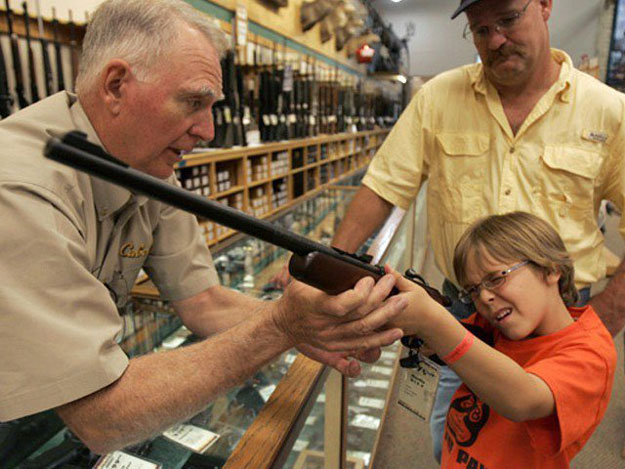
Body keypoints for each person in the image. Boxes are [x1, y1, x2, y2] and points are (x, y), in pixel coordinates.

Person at [0, 0, 409, 455]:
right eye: (193, 102)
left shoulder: (146, 164)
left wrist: (316, 326)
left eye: (212, 106)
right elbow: (102, 416)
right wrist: (282, 325)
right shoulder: (18, 186)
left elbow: (204, 302)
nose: (209, 131)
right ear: (116, 86)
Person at [270, 0, 625, 461]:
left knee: (529, 447)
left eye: (508, 19)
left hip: (561, 315)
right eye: (480, 30)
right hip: (466, 307)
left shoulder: (609, 112)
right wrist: (325, 266)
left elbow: (524, 401)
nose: (495, 39)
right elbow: (382, 187)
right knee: (458, 436)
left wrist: (604, 318)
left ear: (544, 6)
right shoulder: (438, 97)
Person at [389, 211, 616, 468]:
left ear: (551, 269)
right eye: (473, 291)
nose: (484, 298)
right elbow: (456, 343)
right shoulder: (496, 326)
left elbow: (522, 400)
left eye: (497, 278)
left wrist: (432, 322)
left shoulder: (591, 354)